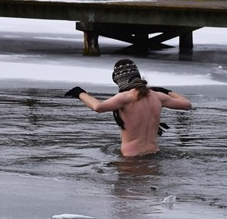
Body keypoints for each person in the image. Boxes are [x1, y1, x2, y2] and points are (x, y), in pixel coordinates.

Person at [64, 58, 192, 157]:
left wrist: (79, 93)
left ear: (119, 80)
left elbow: (98, 106)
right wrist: (166, 91)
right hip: (154, 154)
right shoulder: (157, 96)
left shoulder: (125, 97)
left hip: (131, 158)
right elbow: (187, 104)